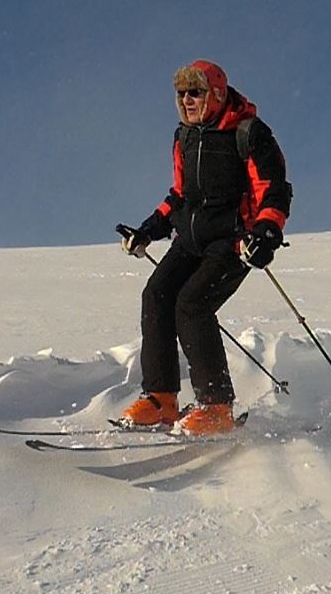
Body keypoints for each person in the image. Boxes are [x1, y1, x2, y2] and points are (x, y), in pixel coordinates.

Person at [118, 60, 292, 435]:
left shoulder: (248, 132)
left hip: (233, 242)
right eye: (181, 94)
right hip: (190, 240)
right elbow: (180, 195)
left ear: (216, 93)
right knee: (156, 294)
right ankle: (161, 399)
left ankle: (216, 407)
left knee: (192, 304)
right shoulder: (184, 137)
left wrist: (265, 233)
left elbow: (274, 190)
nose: (186, 100)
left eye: (194, 92)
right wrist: (148, 230)